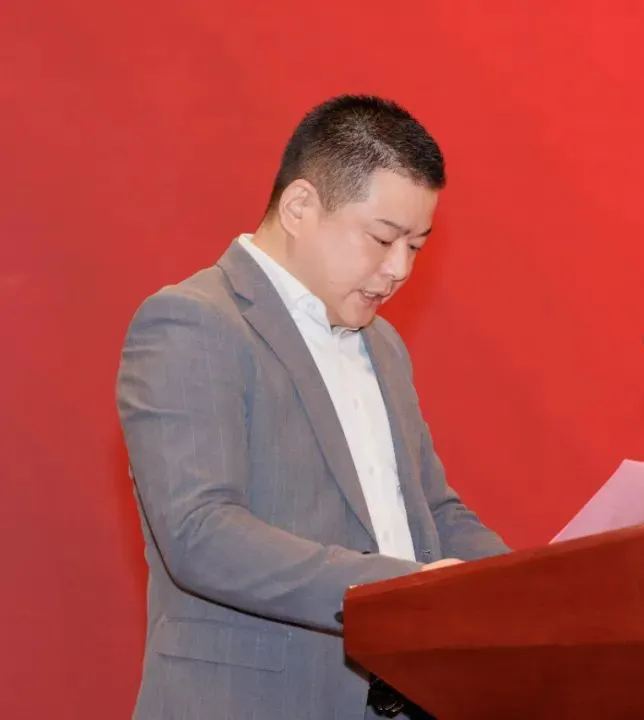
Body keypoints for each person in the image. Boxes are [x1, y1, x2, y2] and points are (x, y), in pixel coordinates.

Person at [116, 94, 510, 719]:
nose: (399, 269)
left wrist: (530, 586)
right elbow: (200, 533)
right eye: (383, 238)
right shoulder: (194, 321)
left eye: (416, 246)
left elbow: (433, 511)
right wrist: (396, 590)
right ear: (300, 206)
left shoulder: (382, 343)